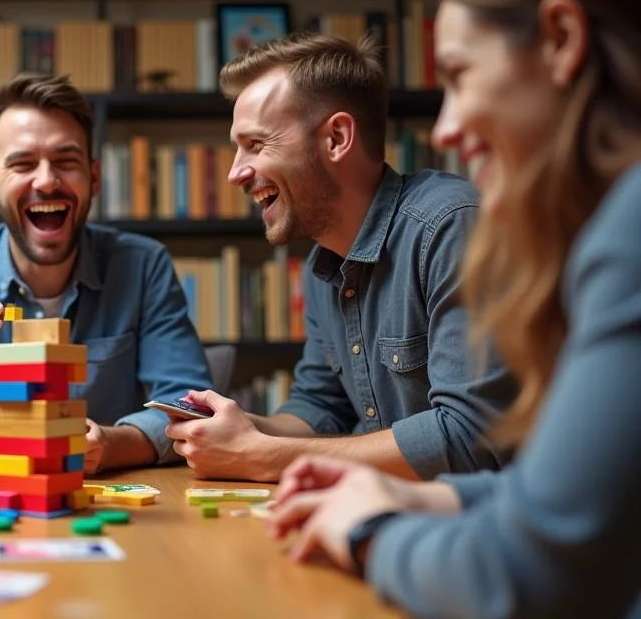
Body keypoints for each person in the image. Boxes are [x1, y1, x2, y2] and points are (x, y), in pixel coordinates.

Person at [268, 0, 641, 615]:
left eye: (460, 75)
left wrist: (366, 532)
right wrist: (419, 499)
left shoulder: (625, 235)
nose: (446, 126)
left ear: (561, 40)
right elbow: (564, 501)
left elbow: (530, 569)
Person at [166, 32, 517, 482]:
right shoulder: (324, 261)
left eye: (255, 144)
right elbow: (319, 409)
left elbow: (470, 438)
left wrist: (261, 456)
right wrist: (241, 430)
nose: (235, 173)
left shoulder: (450, 226)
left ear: (336, 137)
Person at [0, 72, 212, 473]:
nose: (46, 181)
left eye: (66, 161)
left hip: (103, 500)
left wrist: (113, 445)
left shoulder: (142, 265)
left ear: (94, 177)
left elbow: (189, 407)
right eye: (23, 163)